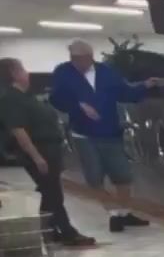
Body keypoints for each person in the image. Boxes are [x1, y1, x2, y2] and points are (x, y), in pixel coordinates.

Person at [49, 40, 156, 233]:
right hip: (83, 133)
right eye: (74, 59)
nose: (78, 63)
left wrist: (144, 86)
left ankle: (124, 213)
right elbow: (56, 98)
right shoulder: (63, 72)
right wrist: (78, 105)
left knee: (123, 175)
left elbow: (125, 93)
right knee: (94, 177)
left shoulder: (106, 72)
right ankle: (114, 213)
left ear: (90, 57)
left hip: (110, 131)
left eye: (82, 59)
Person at [0, 58, 95, 246]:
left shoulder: (27, 96)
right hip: (39, 149)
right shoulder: (10, 99)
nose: (27, 73)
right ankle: (66, 232)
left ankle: (48, 230)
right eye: (23, 70)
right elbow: (18, 130)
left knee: (48, 191)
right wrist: (36, 157)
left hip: (50, 148)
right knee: (52, 193)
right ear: (13, 73)